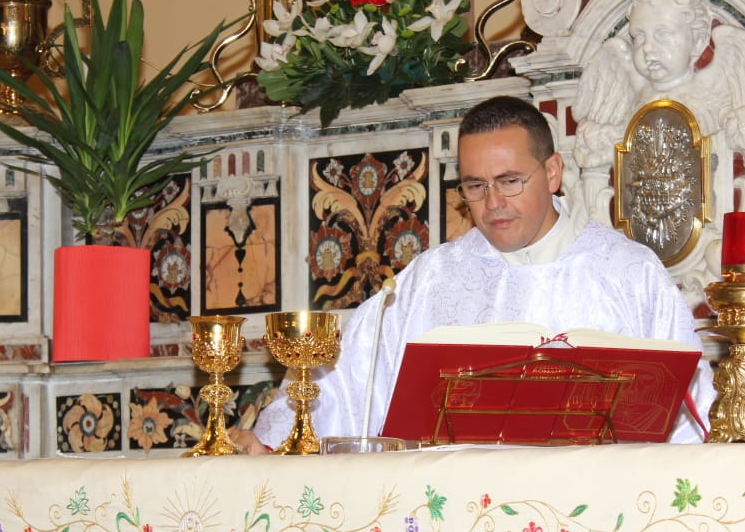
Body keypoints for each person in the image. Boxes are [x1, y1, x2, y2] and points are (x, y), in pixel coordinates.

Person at [239, 95, 714, 452]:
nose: (492, 203)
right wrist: (274, 442)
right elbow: (337, 379)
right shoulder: (431, 279)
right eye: (474, 185)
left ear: (552, 172)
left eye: (509, 181)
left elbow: (690, 408)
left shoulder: (627, 273)